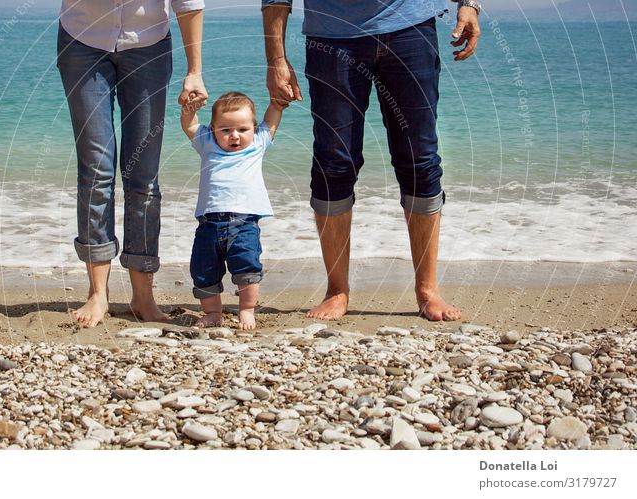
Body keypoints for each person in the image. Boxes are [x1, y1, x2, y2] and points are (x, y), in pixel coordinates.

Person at [262, 0, 482, 321]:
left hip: (411, 28)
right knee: (334, 163)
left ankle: (427, 290)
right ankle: (337, 290)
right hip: (332, 38)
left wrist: (469, 5)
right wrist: (277, 59)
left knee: (420, 160)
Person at [57, 0, 208, 327]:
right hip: (82, 39)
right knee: (96, 170)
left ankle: (143, 295)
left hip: (149, 46)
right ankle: (98, 293)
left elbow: (189, 2)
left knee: (144, 175)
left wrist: (194, 71)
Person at [180, 92, 284, 329]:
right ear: (213, 129)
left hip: (245, 223)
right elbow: (191, 125)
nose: (234, 136)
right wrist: (189, 109)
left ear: (253, 129)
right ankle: (213, 312)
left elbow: (272, 120)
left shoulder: (258, 143)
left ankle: (246, 309)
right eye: (225, 130)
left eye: (242, 130)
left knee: (247, 267)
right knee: (203, 270)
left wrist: (277, 103)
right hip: (209, 223)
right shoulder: (206, 143)